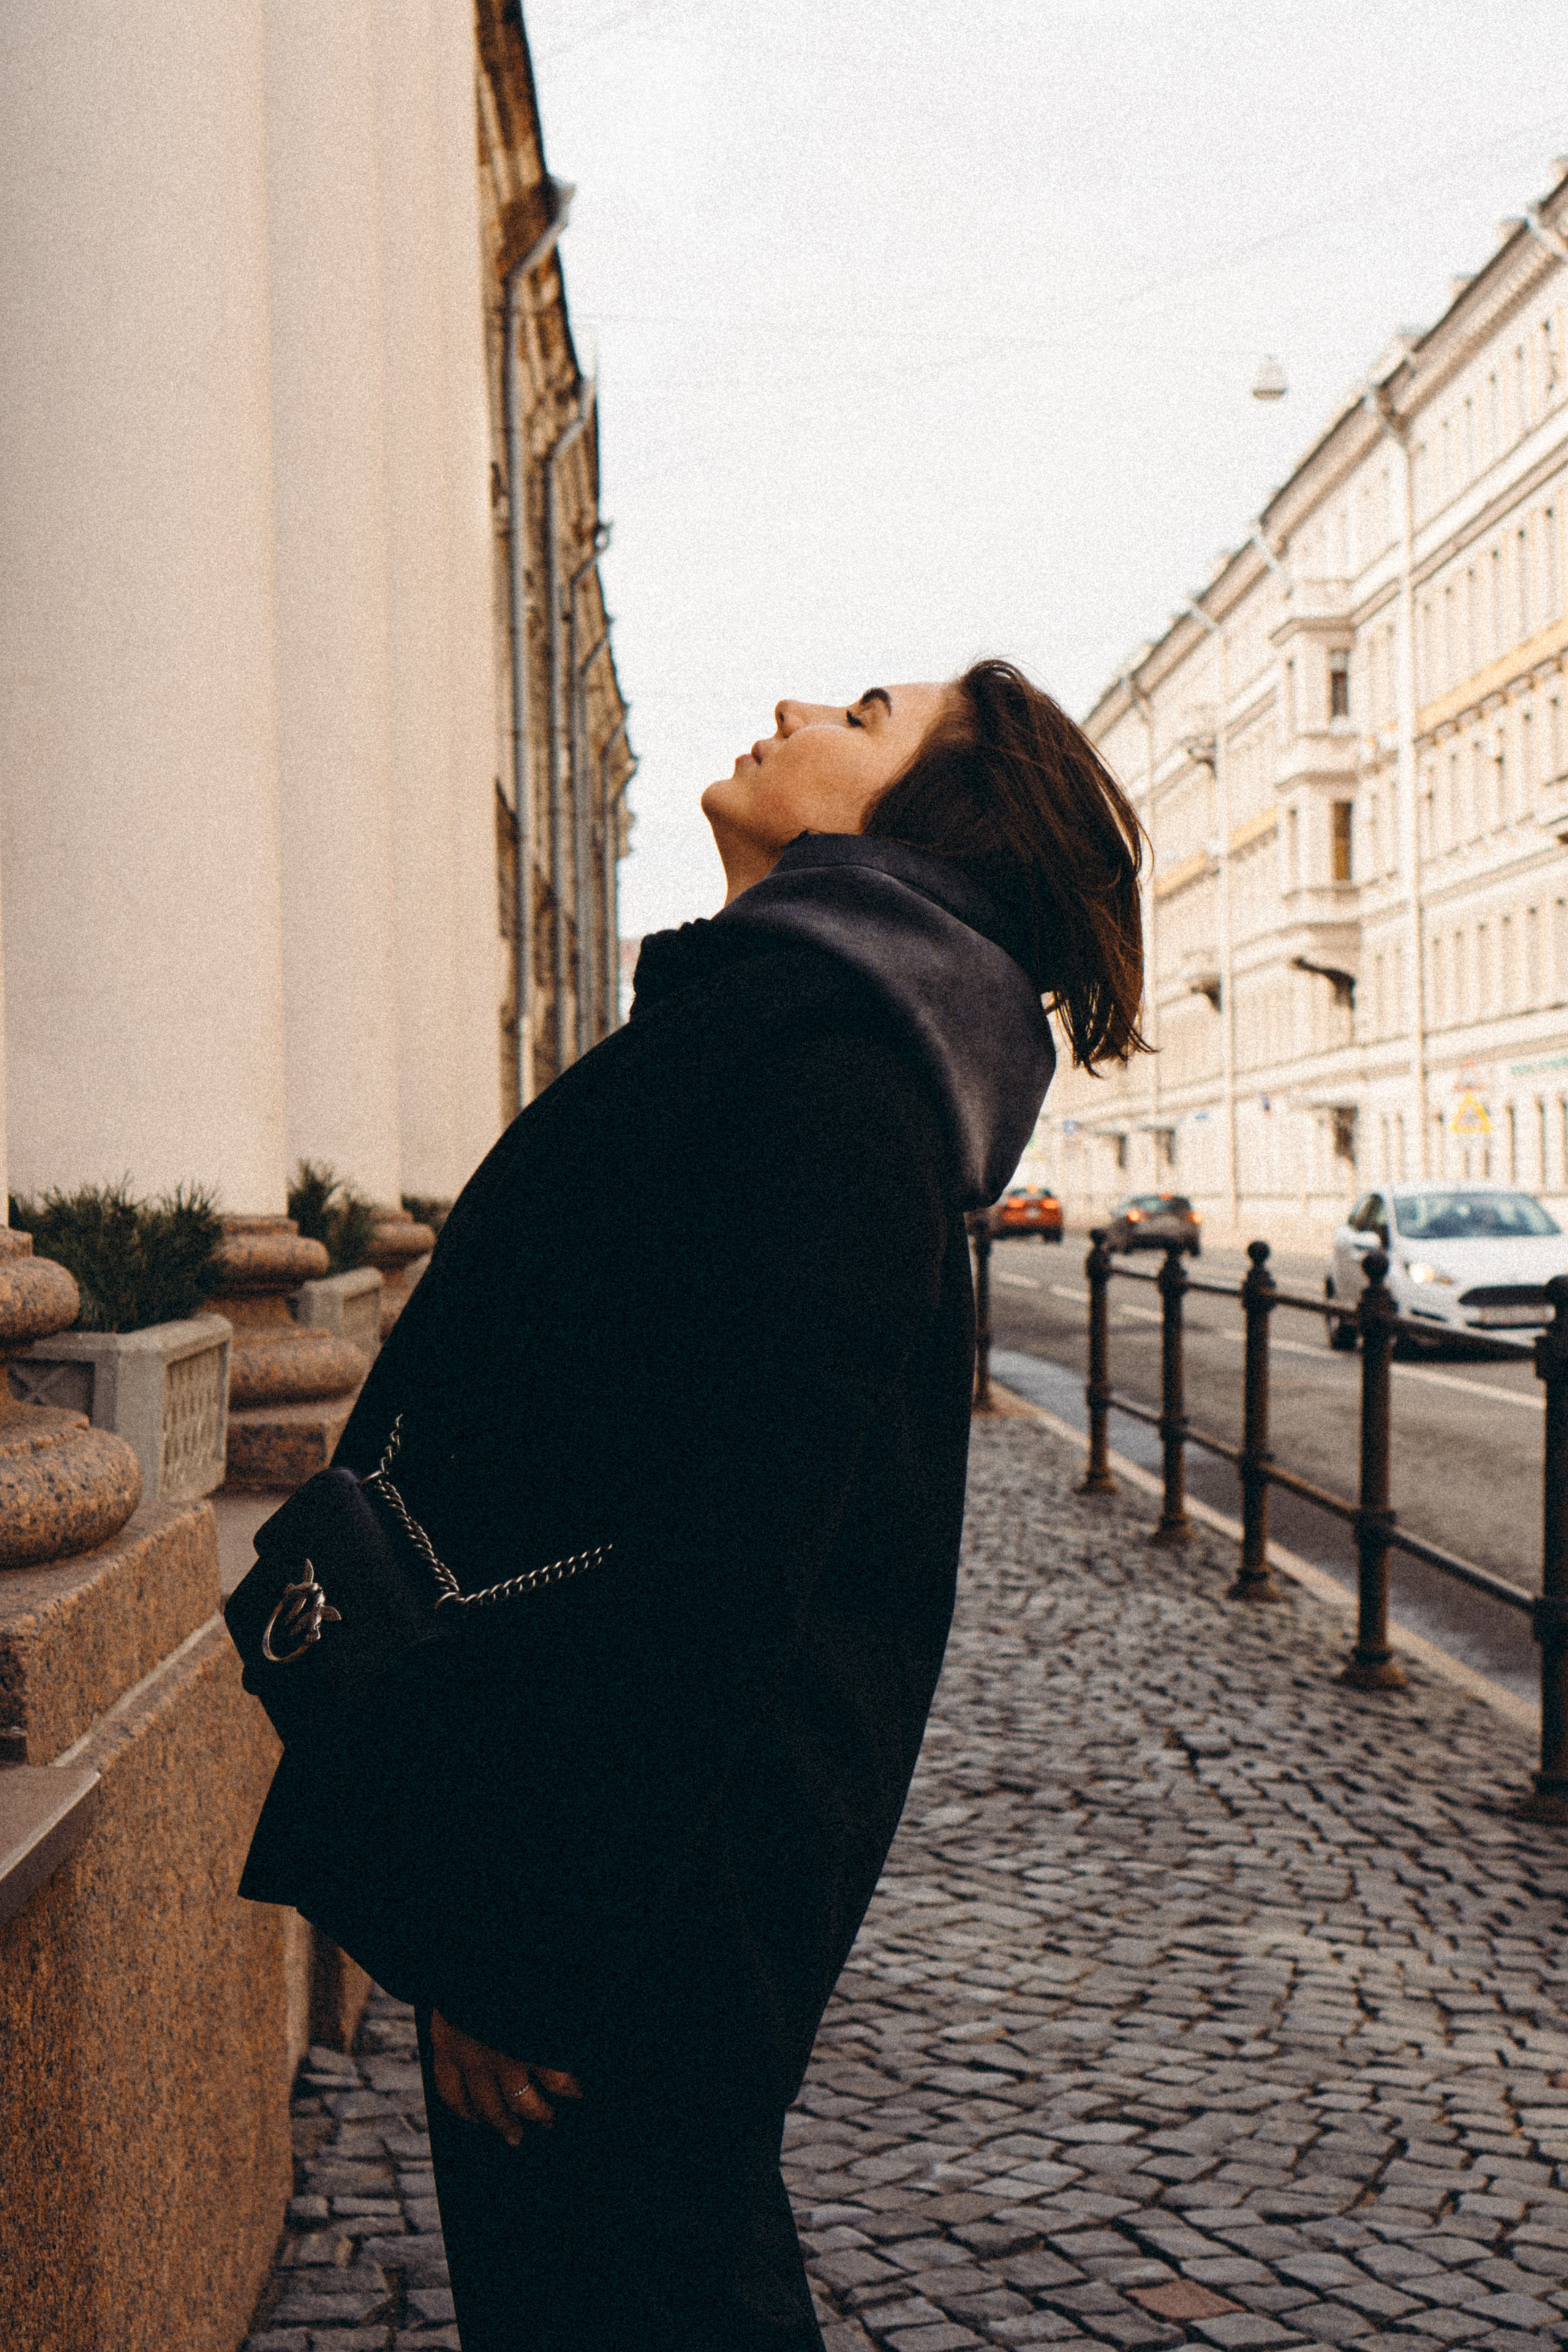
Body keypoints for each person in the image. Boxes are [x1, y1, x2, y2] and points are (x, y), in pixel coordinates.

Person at [238, 659, 1147, 2350]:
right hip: (610, 1878)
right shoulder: (784, 1036)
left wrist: (529, 1956)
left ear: (924, 830)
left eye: (865, 717)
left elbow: (719, 1577)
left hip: (632, 1925)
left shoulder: (828, 1080)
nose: (799, 709)